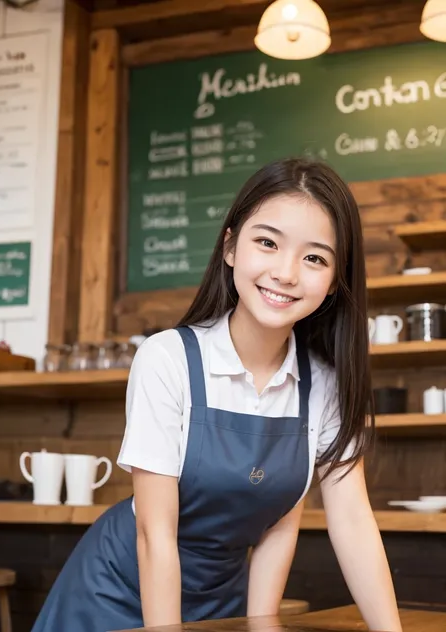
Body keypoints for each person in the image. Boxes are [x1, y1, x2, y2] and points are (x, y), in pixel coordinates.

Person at [31, 158, 402, 632]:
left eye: (315, 258)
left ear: (334, 282)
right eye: (267, 242)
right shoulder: (168, 359)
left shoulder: (325, 383)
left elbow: (328, 523)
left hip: (220, 602)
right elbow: (154, 534)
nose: (286, 273)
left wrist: (262, 623)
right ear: (230, 248)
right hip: (115, 593)